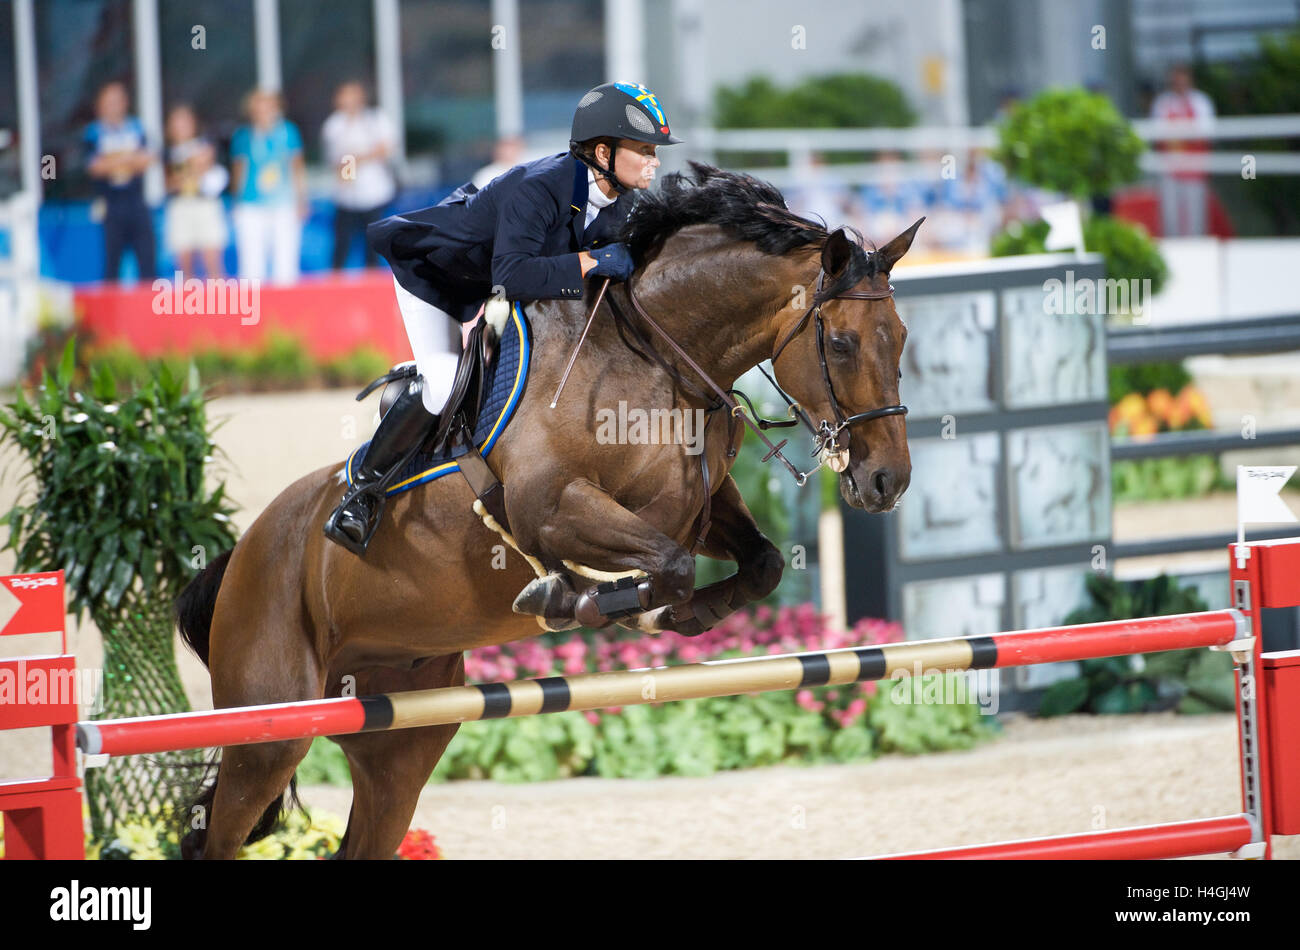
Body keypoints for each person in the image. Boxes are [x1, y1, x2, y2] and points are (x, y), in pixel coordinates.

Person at [324, 81, 681, 555]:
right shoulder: (540, 188)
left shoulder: (623, 201)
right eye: (644, 149)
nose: (654, 161)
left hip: (484, 286)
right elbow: (512, 274)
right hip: (434, 276)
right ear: (603, 151)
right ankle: (360, 493)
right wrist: (591, 263)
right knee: (444, 380)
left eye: (654, 151)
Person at [229, 89, 307, 283]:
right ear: (251, 111)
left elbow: (296, 167)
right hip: (250, 204)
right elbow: (238, 170)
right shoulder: (243, 135)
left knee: (286, 261)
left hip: (283, 202)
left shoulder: (288, 131)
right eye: (258, 107)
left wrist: (301, 200)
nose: (263, 112)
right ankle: (254, 310)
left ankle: (287, 309)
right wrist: (236, 201)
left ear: (277, 108)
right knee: (251, 263)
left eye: (268, 107)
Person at [322, 80, 397, 269]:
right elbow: (338, 159)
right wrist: (353, 161)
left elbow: (386, 149)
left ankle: (371, 280)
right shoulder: (334, 125)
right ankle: (336, 281)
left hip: (374, 191)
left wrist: (358, 157)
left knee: (372, 242)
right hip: (347, 193)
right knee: (342, 241)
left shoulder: (375, 119)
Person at [85, 81, 155, 281]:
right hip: (111, 204)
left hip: (137, 202)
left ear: (125, 103)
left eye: (117, 101)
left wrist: (113, 161)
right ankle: (111, 311)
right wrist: (128, 159)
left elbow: (146, 160)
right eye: (108, 102)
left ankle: (150, 310)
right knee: (112, 263)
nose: (113, 107)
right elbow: (95, 168)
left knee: (147, 260)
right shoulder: (93, 132)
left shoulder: (137, 127)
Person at [162, 104, 228, 277]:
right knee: (184, 265)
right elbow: (170, 183)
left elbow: (204, 164)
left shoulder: (205, 144)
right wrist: (192, 168)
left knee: (212, 260)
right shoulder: (168, 152)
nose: (181, 127)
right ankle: (189, 302)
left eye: (185, 121)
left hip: (205, 204)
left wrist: (187, 171)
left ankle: (220, 303)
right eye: (176, 122)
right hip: (180, 206)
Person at [1150, 63, 1215, 237]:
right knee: (1170, 218)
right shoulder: (1163, 103)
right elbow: (1159, 134)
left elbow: (1204, 133)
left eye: (1183, 81)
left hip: (1194, 169)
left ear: (1189, 81)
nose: (1179, 85)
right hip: (1170, 169)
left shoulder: (1201, 102)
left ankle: (1198, 252)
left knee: (1195, 218)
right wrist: (1184, 135)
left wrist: (1178, 136)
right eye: (1176, 81)